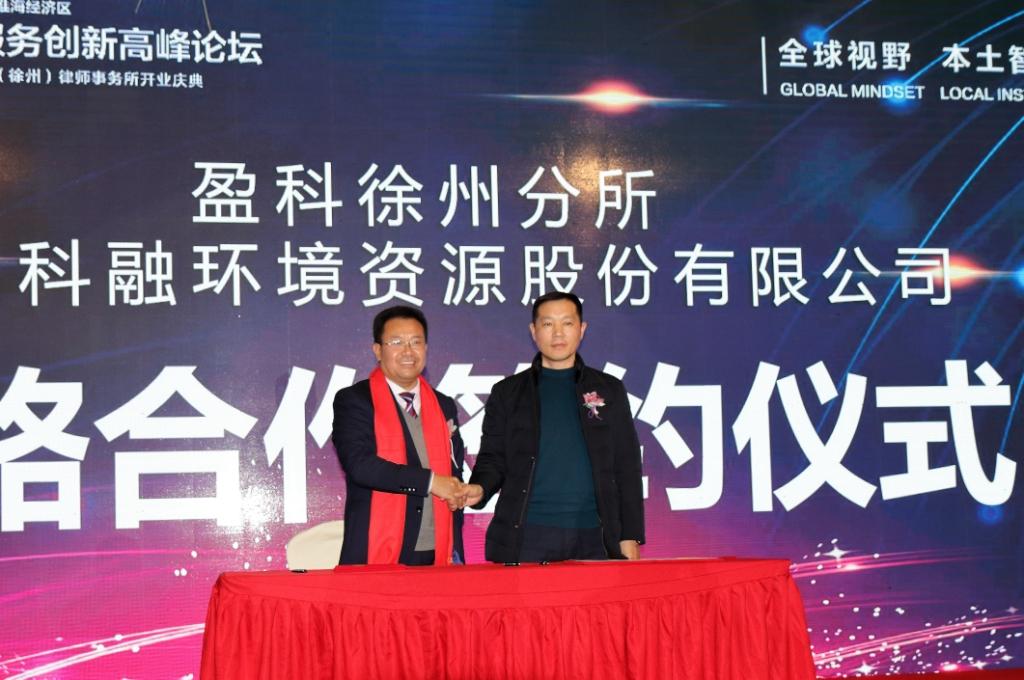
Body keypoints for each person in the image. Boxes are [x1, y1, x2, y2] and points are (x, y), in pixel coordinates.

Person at [461, 292, 645, 563]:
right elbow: (493, 458)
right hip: (528, 534)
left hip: (595, 535)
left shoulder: (609, 389)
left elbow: (627, 467)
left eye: (567, 323)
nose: (558, 333)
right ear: (533, 331)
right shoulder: (508, 392)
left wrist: (630, 535)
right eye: (548, 324)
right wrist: (479, 489)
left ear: (582, 329)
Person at [332, 305, 466, 566]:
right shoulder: (355, 400)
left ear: (426, 348)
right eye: (396, 342)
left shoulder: (443, 405)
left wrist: (461, 489)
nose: (408, 351)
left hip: (440, 549)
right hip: (379, 549)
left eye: (416, 342)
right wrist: (430, 482)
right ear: (377, 350)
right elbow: (360, 465)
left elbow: (454, 468)